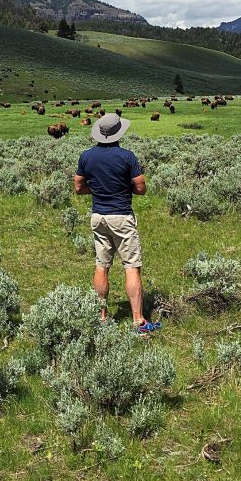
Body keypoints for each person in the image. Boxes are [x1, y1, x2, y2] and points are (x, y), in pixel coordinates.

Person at [74, 112, 159, 335]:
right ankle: (138, 321)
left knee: (101, 265)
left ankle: (101, 317)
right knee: (131, 266)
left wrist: (100, 188)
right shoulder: (127, 157)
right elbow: (141, 188)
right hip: (121, 216)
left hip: (98, 217)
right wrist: (121, 188)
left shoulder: (86, 156)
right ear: (119, 133)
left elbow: (79, 187)